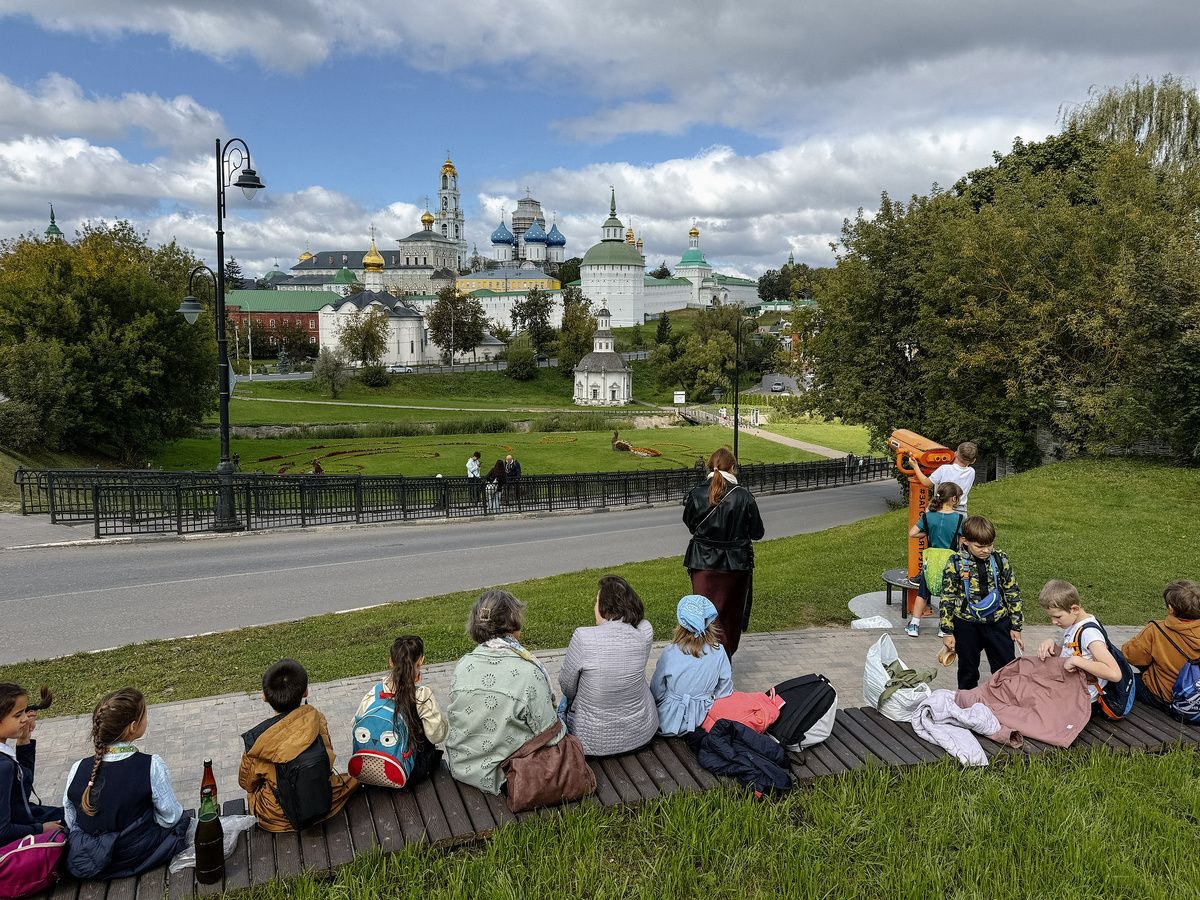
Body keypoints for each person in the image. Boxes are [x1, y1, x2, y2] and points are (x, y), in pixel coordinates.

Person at [62, 688, 189, 880]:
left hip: (88, 860)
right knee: (182, 824)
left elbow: (72, 820)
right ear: (133, 727)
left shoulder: (78, 768)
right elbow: (170, 817)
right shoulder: (150, 765)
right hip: (134, 856)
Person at [446, 591, 562, 795]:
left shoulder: (463, 665)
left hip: (462, 770)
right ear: (512, 620)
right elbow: (551, 736)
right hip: (508, 776)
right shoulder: (528, 671)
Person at [239, 659, 357, 832]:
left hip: (277, 819)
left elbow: (247, 783)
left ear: (264, 697)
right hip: (323, 801)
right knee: (351, 780)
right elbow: (327, 760)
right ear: (305, 692)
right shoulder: (317, 720)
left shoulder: (258, 742)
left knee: (252, 793)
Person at [558, 575, 659, 756]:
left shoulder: (584, 637)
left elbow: (567, 687)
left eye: (597, 602)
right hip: (641, 733)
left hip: (592, 742)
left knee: (564, 702)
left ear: (606, 607)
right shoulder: (645, 630)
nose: (594, 607)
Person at [681, 448, 765, 658]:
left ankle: (708, 662)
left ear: (710, 467)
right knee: (730, 616)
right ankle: (724, 661)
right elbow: (757, 532)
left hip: (703, 565)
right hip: (736, 566)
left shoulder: (696, 494)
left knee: (705, 617)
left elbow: (690, 525)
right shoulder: (744, 496)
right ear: (733, 468)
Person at [939, 515, 1024, 690]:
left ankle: (1005, 704)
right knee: (968, 671)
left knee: (1006, 670)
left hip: (998, 623)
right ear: (965, 541)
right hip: (966, 625)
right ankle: (966, 705)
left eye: (989, 545)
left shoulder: (1000, 559)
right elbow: (947, 598)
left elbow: (1012, 591)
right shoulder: (955, 563)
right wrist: (947, 631)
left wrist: (1016, 626)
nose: (986, 550)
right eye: (980, 546)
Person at [351, 636, 446, 788]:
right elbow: (437, 736)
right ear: (420, 661)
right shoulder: (422, 695)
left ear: (391, 661)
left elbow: (355, 724)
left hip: (370, 770)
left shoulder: (375, 693)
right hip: (408, 773)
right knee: (431, 748)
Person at [650, 595, 734, 736]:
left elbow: (656, 689)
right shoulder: (718, 651)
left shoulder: (670, 652)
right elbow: (724, 690)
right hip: (703, 717)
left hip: (668, 718)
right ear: (709, 622)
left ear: (681, 623)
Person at [1036, 580, 1122, 710]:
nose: (1054, 622)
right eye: (1051, 618)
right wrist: (1053, 646)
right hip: (1072, 688)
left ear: (1074, 609)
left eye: (1058, 617)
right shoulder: (1073, 624)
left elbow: (1114, 674)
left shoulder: (1090, 634)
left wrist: (1077, 661)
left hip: (1084, 700)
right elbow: (1067, 656)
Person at [1122, 580, 1200, 713]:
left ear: (1171, 609)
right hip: (1197, 696)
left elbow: (1130, 655)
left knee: (1123, 680)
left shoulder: (1157, 630)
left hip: (1166, 697)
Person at [0, 685, 62, 848]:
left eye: (25, 712)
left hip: (25, 817)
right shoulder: (3, 766)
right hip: (21, 833)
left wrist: (24, 739)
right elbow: (2, 832)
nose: (26, 719)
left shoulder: (4, 758)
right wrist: (40, 829)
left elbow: (22, 785)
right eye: (18, 715)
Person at [906, 482, 965, 637]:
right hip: (950, 561)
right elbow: (962, 542)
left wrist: (926, 534)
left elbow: (912, 533)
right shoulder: (960, 518)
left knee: (923, 592)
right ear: (953, 499)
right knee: (948, 594)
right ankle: (943, 626)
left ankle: (914, 624)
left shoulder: (928, 516)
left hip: (931, 561)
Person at [911, 441, 978, 512]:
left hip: (940, 507)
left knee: (928, 521)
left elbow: (926, 483)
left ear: (955, 454)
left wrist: (915, 466)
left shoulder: (944, 469)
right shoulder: (971, 472)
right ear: (973, 461)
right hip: (960, 510)